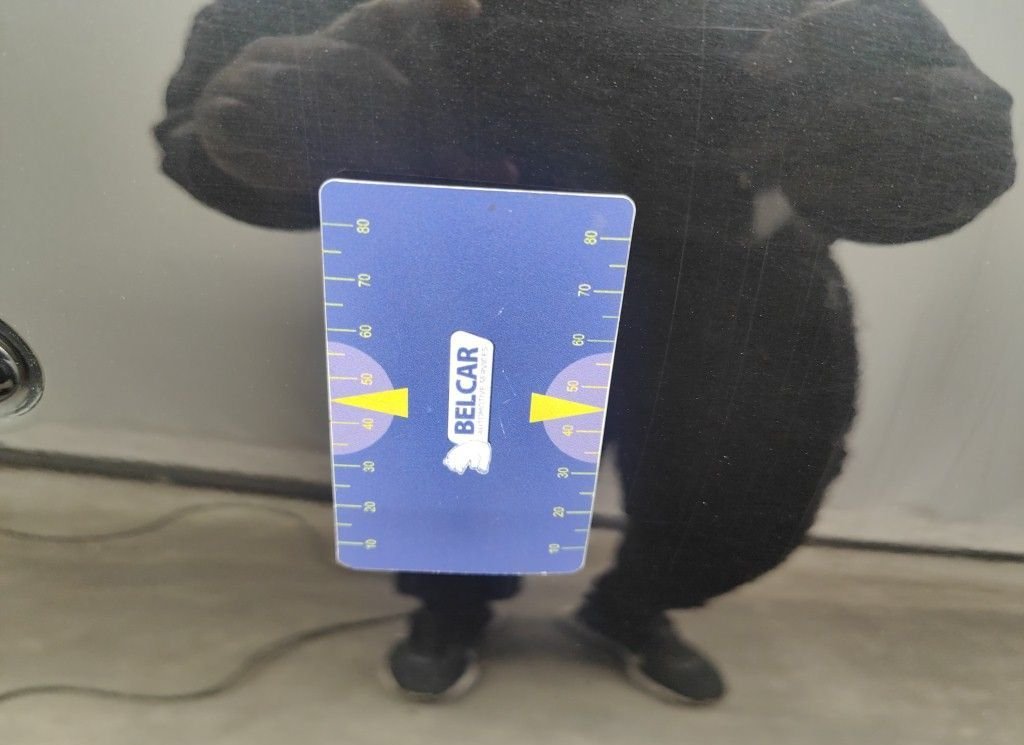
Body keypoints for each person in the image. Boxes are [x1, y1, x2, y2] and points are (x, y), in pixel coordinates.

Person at [155, 0, 1015, 703]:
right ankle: (452, 608)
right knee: (460, 474)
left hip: (727, 260)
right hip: (483, 242)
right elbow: (208, 130)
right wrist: (279, 123)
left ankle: (634, 609)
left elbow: (928, 113)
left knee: (739, 482)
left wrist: (909, 136)